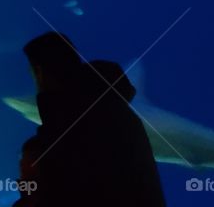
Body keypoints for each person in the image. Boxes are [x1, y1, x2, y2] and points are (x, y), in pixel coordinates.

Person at [21, 33, 165, 207]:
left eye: (32, 73)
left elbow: (62, 194)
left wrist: (29, 183)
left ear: (39, 72)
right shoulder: (119, 113)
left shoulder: (68, 126)